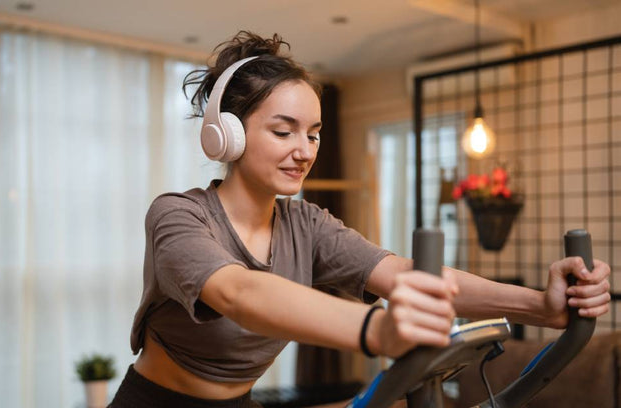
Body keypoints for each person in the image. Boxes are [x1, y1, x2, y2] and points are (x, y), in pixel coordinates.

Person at [109, 31, 611, 408]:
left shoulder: (307, 224)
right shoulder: (178, 214)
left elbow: (406, 274)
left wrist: (542, 308)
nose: (304, 151)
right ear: (229, 137)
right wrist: (378, 330)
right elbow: (241, 294)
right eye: (283, 132)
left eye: (314, 133)